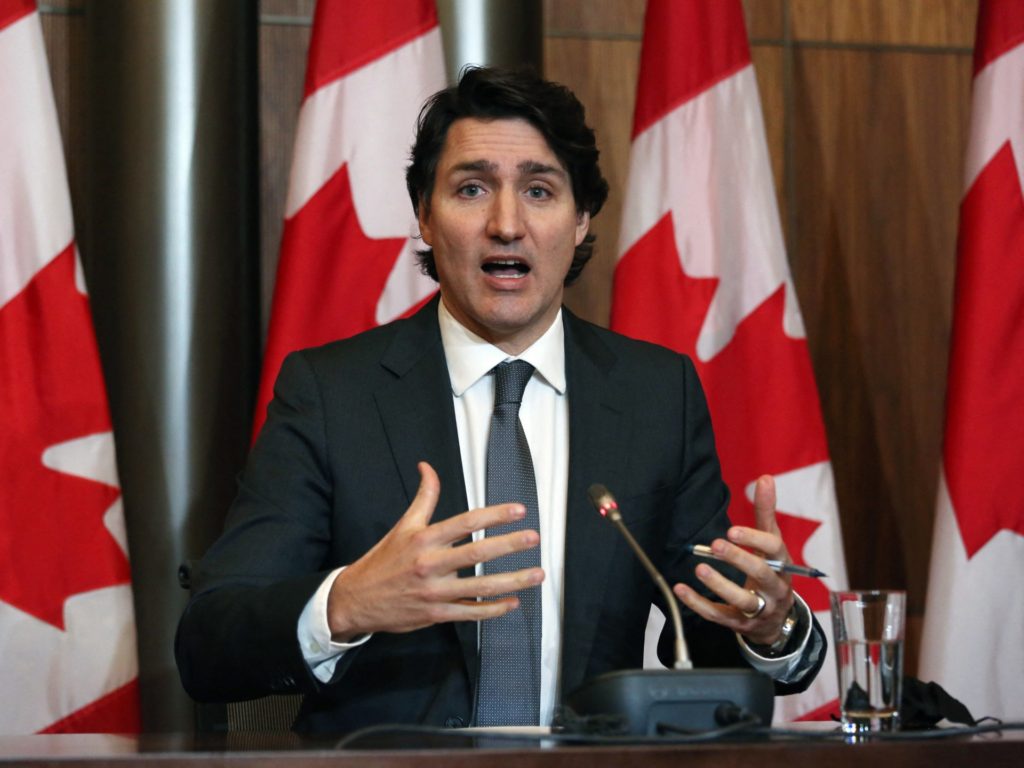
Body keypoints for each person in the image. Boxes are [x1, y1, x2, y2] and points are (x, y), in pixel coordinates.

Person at [175, 66, 825, 733]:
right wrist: (346, 603)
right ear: (425, 215)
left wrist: (771, 624)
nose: (506, 224)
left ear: (580, 222)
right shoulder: (332, 394)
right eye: (472, 188)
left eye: (539, 191)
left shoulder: (657, 394)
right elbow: (208, 643)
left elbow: (709, 627)